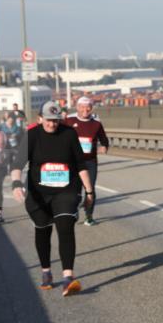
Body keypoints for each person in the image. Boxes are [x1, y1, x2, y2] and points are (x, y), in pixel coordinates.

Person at [11, 101, 93, 297]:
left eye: (56, 121)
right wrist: (16, 184)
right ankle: (46, 271)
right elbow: (17, 164)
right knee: (43, 230)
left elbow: (81, 164)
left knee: (65, 227)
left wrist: (90, 192)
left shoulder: (69, 134)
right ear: (40, 119)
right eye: (48, 120)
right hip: (39, 193)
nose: (52, 124)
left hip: (66, 190)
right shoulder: (32, 135)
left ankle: (68, 278)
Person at [64, 96, 109, 226]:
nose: (85, 110)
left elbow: (104, 139)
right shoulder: (69, 120)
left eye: (88, 107)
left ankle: (89, 216)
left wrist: (104, 146)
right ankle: (74, 210)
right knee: (74, 189)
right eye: (82, 107)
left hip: (90, 162)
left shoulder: (96, 123)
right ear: (77, 107)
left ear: (91, 108)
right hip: (73, 162)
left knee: (90, 190)